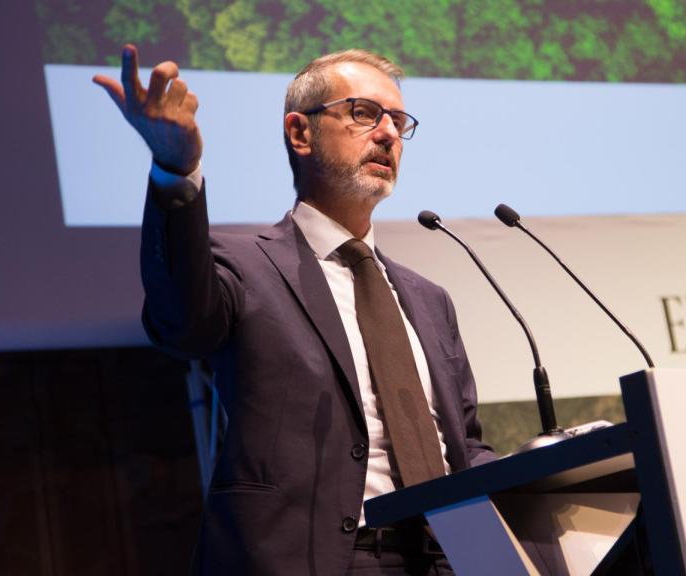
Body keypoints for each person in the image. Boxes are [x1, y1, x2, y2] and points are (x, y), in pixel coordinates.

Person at [93, 45, 496, 575]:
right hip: (319, 559)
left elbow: (463, 442)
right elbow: (180, 325)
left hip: (452, 559)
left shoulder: (428, 298)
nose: (389, 134)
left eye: (398, 120)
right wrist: (176, 169)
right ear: (300, 133)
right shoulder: (242, 264)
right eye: (364, 113)